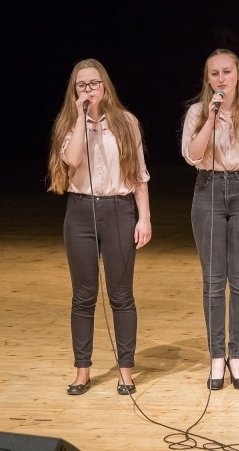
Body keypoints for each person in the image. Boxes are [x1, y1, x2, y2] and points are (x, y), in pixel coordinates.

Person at [47, 58, 152, 396]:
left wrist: (145, 217)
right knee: (83, 296)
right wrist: (80, 118)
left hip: (119, 209)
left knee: (121, 295)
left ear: (105, 86)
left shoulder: (127, 123)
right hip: (80, 212)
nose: (88, 89)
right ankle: (83, 370)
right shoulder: (68, 123)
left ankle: (125, 371)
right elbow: (73, 160)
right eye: (82, 85)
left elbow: (139, 174)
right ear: (74, 91)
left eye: (93, 83)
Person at [181, 49, 239, 390]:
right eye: (215, 73)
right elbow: (192, 155)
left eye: (227, 72)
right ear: (208, 79)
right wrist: (210, 119)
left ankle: (236, 355)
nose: (221, 78)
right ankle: (216, 357)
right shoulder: (197, 112)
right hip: (207, 189)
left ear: (238, 75)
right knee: (212, 280)